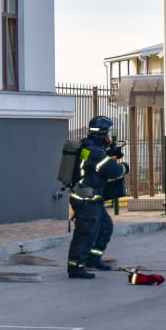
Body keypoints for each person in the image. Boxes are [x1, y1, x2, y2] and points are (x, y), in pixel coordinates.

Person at [66, 115, 127, 279]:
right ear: (101, 133)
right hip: (85, 199)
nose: (109, 136)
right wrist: (124, 167)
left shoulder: (92, 147)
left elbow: (98, 166)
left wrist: (111, 154)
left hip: (93, 199)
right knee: (85, 233)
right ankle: (75, 268)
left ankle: (92, 260)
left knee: (105, 228)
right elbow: (113, 171)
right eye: (107, 133)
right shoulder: (93, 151)